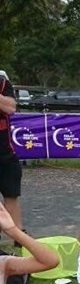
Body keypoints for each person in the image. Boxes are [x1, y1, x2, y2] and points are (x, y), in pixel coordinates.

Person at [0, 71, 23, 231]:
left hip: (5, 154)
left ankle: (19, 239)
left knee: (11, 196)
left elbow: (11, 107)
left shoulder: (2, 82)